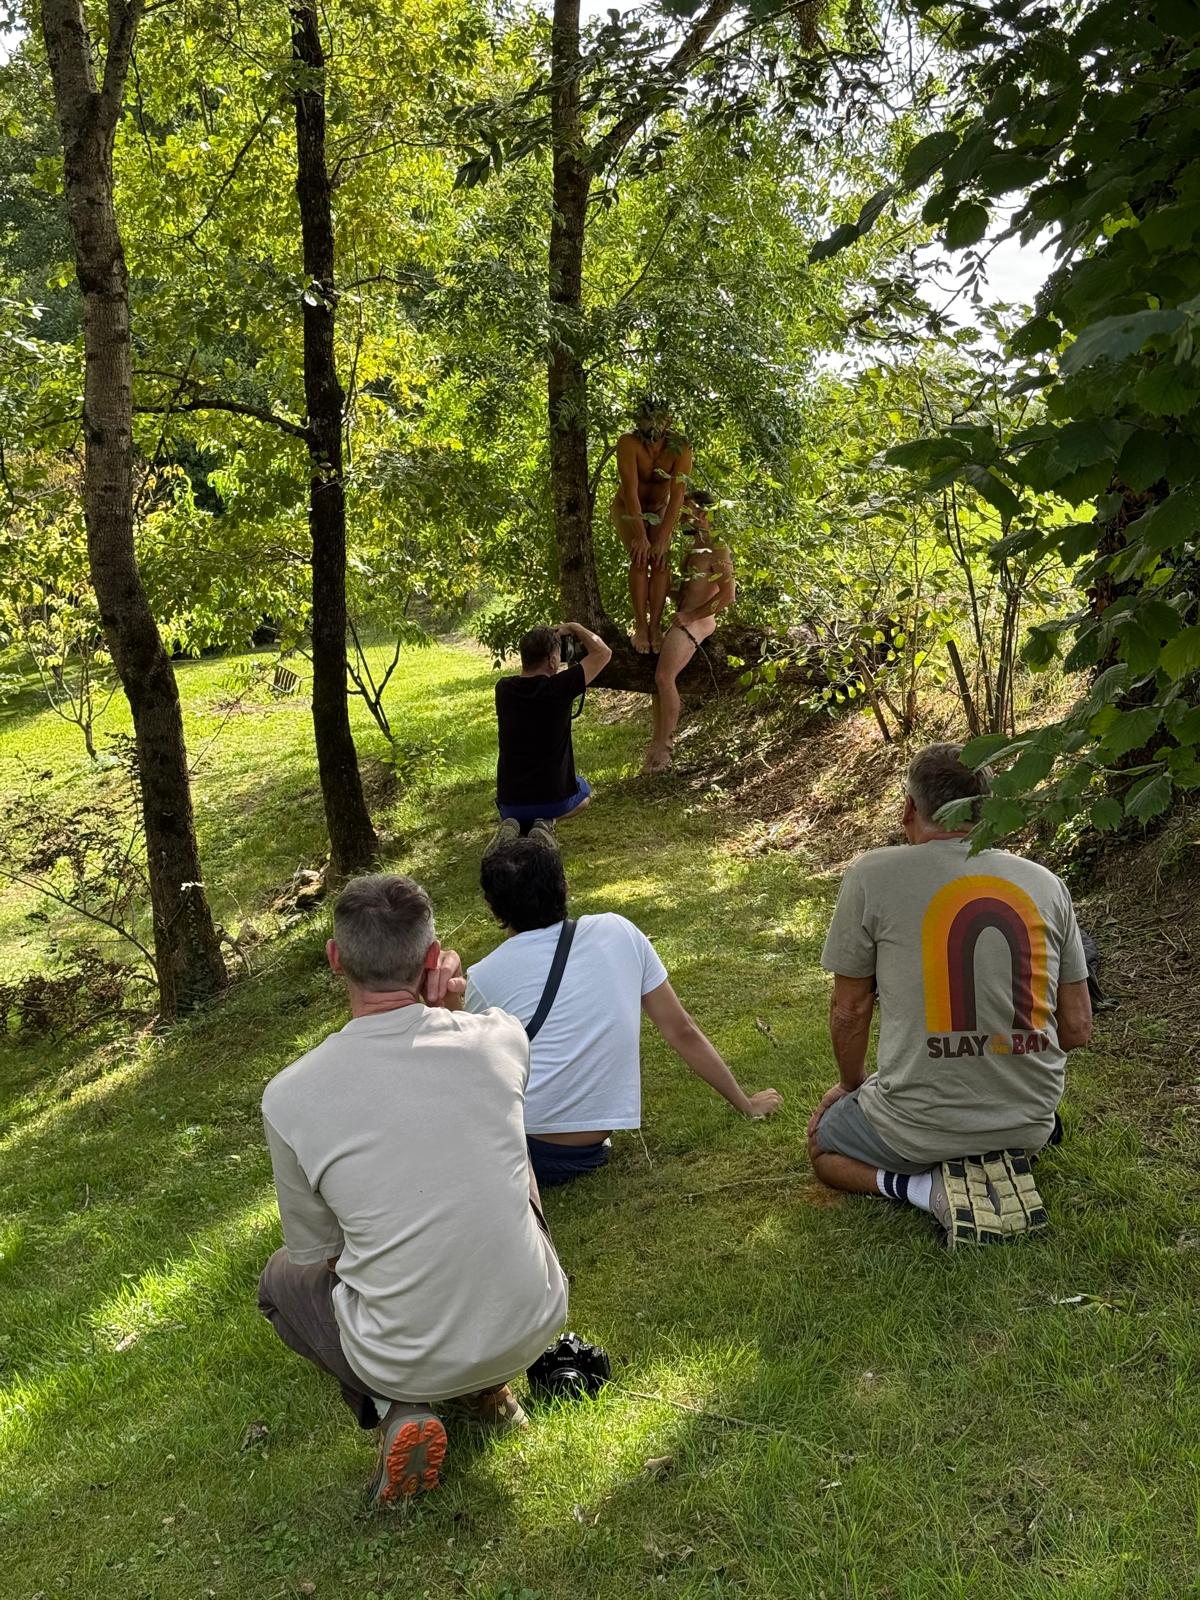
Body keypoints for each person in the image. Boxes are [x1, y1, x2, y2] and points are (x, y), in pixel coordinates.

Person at [257, 874, 568, 1503]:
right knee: (504, 1171)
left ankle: (399, 1404)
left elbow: (319, 1253)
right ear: (432, 960)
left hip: (404, 1352)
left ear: (335, 959)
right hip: (537, 1319)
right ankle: (485, 1384)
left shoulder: (289, 1096)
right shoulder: (501, 1038)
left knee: (280, 1279)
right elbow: (470, 1063)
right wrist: (448, 1005)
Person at [807, 743, 1093, 1248]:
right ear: (988, 809)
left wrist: (850, 1085)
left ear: (909, 812)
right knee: (1001, 1123)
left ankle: (920, 1187)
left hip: (915, 1129)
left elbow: (850, 1008)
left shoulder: (872, 875)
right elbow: (1077, 1030)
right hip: (1031, 1122)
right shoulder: (1046, 884)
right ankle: (999, 1155)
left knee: (824, 1145)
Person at [466, 833, 782, 1187]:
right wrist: (745, 1104)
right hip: (588, 1148)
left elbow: (471, 1077)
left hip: (522, 1152)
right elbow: (682, 1030)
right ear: (564, 886)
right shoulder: (619, 931)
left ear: (492, 907)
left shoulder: (482, 977)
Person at [643, 490, 735, 775]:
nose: (681, 515)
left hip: (698, 623)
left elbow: (728, 596)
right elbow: (685, 593)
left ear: (703, 513)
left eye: (687, 509)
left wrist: (692, 616)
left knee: (664, 677)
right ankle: (656, 744)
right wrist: (658, 588)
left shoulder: (718, 547)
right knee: (656, 685)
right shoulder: (693, 547)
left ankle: (666, 750)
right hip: (683, 620)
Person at [494, 622, 612, 835]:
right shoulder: (560, 687)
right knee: (584, 792)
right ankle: (546, 821)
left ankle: (517, 825)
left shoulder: (503, 689)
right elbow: (603, 652)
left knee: (522, 805)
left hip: (509, 805)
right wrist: (575, 627)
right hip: (554, 802)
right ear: (552, 660)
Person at [610, 396, 694, 654]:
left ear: (668, 420)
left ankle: (655, 626)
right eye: (646, 419)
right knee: (639, 557)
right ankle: (640, 626)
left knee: (660, 560)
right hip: (627, 508)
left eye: (658, 419)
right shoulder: (628, 443)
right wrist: (639, 535)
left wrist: (663, 537)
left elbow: (678, 495)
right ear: (638, 420)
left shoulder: (680, 446)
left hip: (659, 510)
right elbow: (630, 490)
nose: (652, 426)